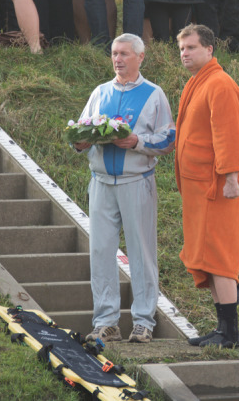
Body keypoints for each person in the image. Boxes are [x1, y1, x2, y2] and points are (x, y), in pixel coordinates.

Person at [74, 33, 176, 345]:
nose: (118, 59)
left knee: (141, 252)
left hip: (136, 182)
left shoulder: (154, 94)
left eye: (124, 54)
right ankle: (106, 322)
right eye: (114, 54)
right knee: (101, 251)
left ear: (140, 57)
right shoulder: (100, 91)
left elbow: (169, 138)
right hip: (101, 182)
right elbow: (80, 130)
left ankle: (143, 321)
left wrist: (136, 142)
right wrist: (81, 139)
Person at [175, 24, 239, 348]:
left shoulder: (220, 84)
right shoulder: (197, 82)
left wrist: (231, 178)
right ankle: (221, 330)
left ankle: (230, 334)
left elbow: (228, 135)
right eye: (181, 49)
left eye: (191, 47)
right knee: (207, 257)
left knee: (221, 258)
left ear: (209, 50)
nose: (185, 53)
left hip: (218, 187)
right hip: (198, 190)